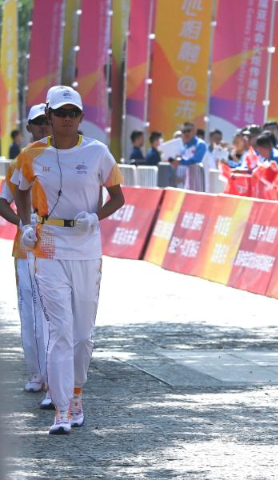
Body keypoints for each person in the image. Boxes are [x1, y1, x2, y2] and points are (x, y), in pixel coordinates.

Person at [11, 85, 125, 435]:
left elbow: (118, 196)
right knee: (59, 330)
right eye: (60, 113)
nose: (66, 119)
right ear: (49, 114)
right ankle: (61, 409)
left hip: (87, 246)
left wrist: (97, 217)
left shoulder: (97, 153)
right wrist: (26, 223)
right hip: (48, 245)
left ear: (81, 117)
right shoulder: (31, 155)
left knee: (82, 334)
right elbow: (17, 189)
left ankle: (77, 394)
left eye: (72, 113)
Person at [0, 103, 50, 403]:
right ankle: (38, 373)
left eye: (49, 120)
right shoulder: (22, 160)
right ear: (29, 127)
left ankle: (56, 377)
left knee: (56, 313)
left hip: (61, 247)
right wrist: (22, 222)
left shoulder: (71, 156)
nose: (45, 126)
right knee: (31, 312)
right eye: (39, 122)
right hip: (27, 247)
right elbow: (3, 201)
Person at [170, 122, 207, 191]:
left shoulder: (200, 144)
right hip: (188, 183)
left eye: (188, 131)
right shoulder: (185, 147)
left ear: (194, 130)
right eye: (184, 132)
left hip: (200, 183)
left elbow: (196, 160)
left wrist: (180, 162)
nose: (186, 133)